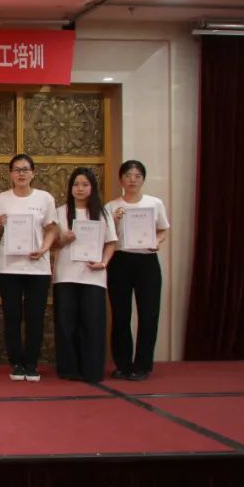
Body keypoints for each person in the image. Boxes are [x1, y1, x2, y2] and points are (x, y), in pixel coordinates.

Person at [0, 154, 58, 382]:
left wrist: (44, 249)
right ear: (10, 174)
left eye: (25, 169)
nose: (21, 174)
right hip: (8, 267)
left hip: (37, 267)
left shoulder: (45, 198)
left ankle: (31, 364)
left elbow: (51, 228)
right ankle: (16, 363)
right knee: (12, 316)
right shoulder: (1, 199)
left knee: (35, 317)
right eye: (17, 170)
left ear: (33, 173)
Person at [106, 160, 170, 381]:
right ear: (121, 179)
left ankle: (143, 365)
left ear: (143, 179)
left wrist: (157, 242)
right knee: (121, 315)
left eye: (137, 176)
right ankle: (123, 364)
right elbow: (106, 236)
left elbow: (163, 230)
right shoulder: (111, 206)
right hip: (120, 261)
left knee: (149, 314)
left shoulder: (155, 203)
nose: (132, 180)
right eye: (127, 175)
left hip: (147, 261)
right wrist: (113, 220)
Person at [52, 168, 116, 383]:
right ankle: (69, 369)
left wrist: (103, 263)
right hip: (65, 275)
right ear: (70, 188)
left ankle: (92, 370)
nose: (80, 188)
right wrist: (64, 240)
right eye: (76, 184)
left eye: (85, 184)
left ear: (92, 188)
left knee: (92, 324)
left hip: (93, 276)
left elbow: (111, 243)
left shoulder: (103, 213)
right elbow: (52, 244)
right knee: (66, 324)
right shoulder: (60, 212)